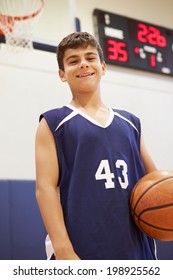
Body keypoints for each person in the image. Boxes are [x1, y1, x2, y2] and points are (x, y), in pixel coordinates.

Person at [35, 31, 157, 260]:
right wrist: (63, 251)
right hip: (82, 248)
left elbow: (156, 180)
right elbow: (45, 190)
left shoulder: (131, 123)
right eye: (73, 61)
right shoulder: (53, 123)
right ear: (62, 74)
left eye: (90, 58)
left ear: (103, 67)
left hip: (135, 248)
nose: (83, 64)